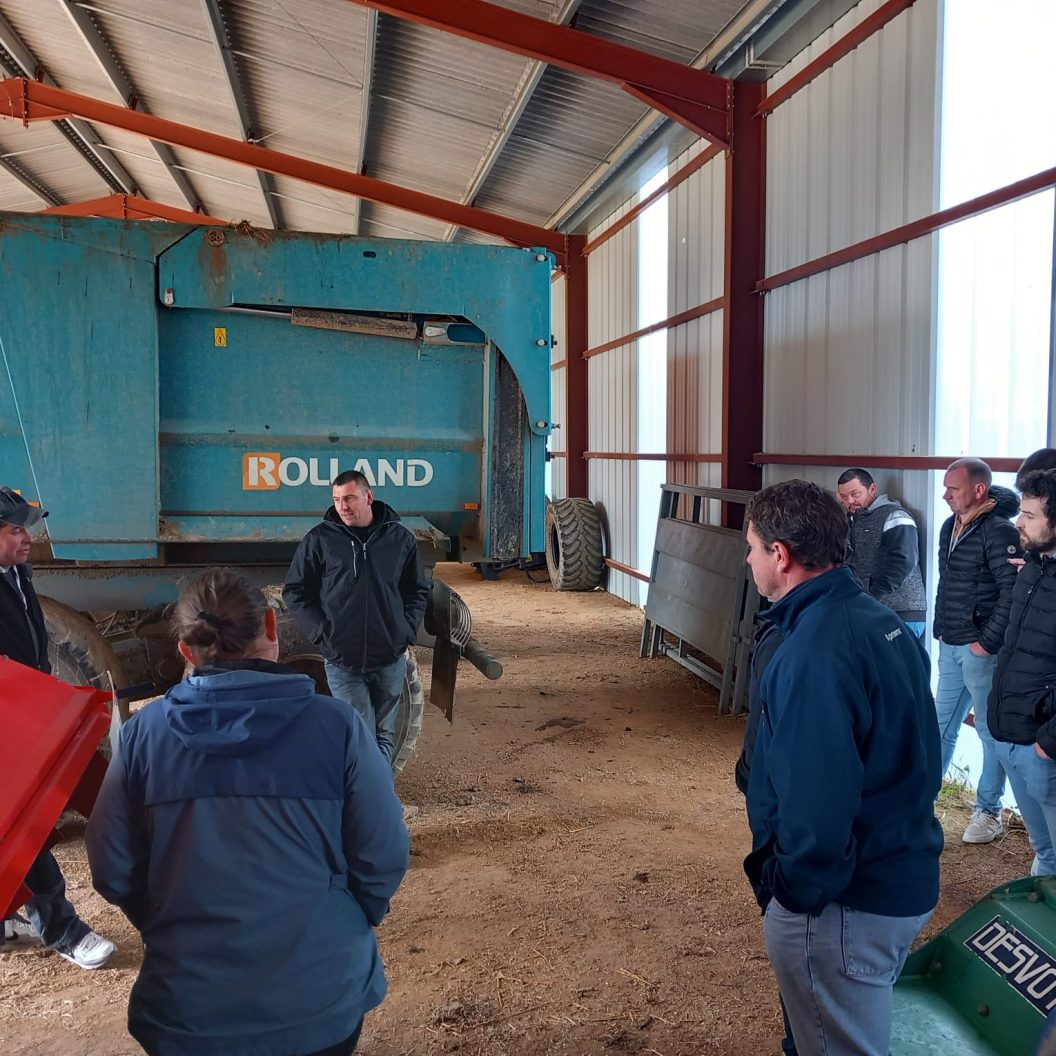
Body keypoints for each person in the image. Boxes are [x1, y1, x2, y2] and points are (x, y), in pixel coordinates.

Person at [86, 568, 409, 1056]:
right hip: (318, 1003)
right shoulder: (337, 728)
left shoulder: (143, 738)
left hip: (188, 1012)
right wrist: (341, 919)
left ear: (185, 650)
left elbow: (112, 866)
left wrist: (167, 920)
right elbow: (382, 854)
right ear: (273, 628)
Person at [743, 479, 942, 1056]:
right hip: (903, 865)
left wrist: (794, 894)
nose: (751, 560)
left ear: (779, 554)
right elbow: (922, 750)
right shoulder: (878, 622)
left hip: (846, 903)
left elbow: (817, 796)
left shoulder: (813, 653)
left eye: (753, 548)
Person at [0, 485, 115, 969]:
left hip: (25, 715)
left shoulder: (18, 571)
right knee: (26, 825)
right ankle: (62, 929)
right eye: (15, 529)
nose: (29, 536)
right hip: (9, 723)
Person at [283, 470, 429, 766]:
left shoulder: (400, 539)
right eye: (337, 500)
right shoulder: (320, 539)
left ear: (368, 497)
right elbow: (295, 591)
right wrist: (322, 633)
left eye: (349, 498)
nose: (343, 506)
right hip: (342, 659)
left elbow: (417, 590)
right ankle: (375, 804)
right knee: (361, 732)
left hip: (389, 655)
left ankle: (377, 801)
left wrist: (405, 630)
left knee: (385, 733)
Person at [934, 457, 1019, 844]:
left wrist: (987, 642)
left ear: (979, 490)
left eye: (953, 487)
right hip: (951, 642)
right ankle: (921, 799)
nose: (945, 493)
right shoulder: (949, 526)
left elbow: (1011, 591)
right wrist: (941, 628)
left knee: (988, 731)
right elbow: (946, 582)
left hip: (980, 649)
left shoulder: (999, 531)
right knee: (941, 725)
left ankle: (988, 811)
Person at [986, 470, 1056, 876]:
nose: (1018, 522)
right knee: (1044, 850)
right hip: (1012, 733)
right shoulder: (1032, 568)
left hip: (1043, 743)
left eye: (1029, 515)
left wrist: (1049, 741)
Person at [836, 467, 927, 637]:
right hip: (872, 611)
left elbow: (904, 561)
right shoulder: (852, 520)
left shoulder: (895, 516)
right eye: (843, 497)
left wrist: (872, 594)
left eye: (855, 494)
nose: (849, 501)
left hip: (900, 612)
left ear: (872, 489)